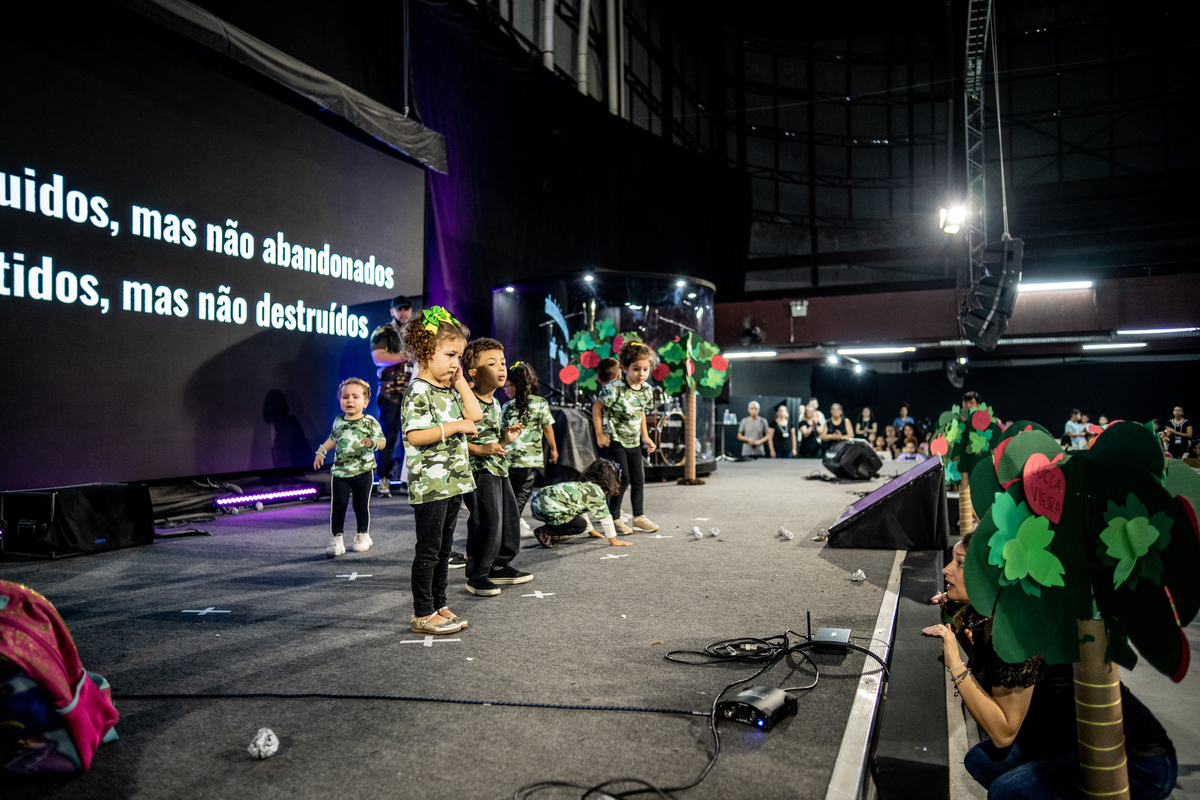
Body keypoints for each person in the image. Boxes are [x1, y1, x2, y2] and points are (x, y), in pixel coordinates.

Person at [924, 534, 1177, 800]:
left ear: (990, 575)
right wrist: (955, 628)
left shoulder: (1020, 629)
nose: (946, 569)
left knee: (1006, 792)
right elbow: (995, 670)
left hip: (1139, 763)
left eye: (960, 563)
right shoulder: (999, 612)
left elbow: (1003, 733)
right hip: (1072, 744)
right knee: (981, 761)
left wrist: (955, 664)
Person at [400, 306, 482, 635]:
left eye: (458, 357)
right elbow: (415, 436)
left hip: (453, 482)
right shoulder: (418, 390)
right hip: (431, 485)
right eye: (450, 355)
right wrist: (455, 426)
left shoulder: (447, 387)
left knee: (445, 550)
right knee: (429, 550)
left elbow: (475, 414)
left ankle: (439, 603)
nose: (455, 363)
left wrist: (460, 382)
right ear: (425, 352)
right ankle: (423, 613)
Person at [461, 338, 532, 598]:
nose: (501, 368)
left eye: (502, 362)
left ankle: (499, 565)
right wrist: (480, 450)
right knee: (486, 520)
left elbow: (491, 440)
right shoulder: (466, 401)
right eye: (492, 364)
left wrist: (504, 440)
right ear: (473, 373)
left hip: (497, 467)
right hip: (477, 470)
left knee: (508, 518)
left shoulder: (495, 403)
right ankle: (477, 573)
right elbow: (456, 440)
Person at [313, 378, 386, 557]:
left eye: (355, 397)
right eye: (345, 397)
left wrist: (373, 443)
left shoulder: (369, 422)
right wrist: (321, 451)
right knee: (338, 506)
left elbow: (382, 441)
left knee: (361, 505)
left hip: (363, 472)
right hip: (340, 473)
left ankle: (363, 535)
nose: (350, 400)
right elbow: (333, 439)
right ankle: (337, 538)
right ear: (340, 400)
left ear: (365, 402)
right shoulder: (338, 421)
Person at [596, 340, 659, 532]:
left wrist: (645, 437)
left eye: (645, 369)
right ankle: (614, 518)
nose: (641, 374)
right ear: (624, 368)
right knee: (622, 480)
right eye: (636, 369)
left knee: (639, 480)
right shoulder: (614, 387)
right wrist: (600, 434)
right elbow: (597, 408)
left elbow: (640, 413)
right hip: (616, 440)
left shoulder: (646, 390)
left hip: (633, 442)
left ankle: (638, 516)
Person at [502, 362, 558, 536]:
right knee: (522, 494)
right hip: (529, 458)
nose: (505, 390)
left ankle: (510, 523)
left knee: (511, 494)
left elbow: (501, 432)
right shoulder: (540, 403)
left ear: (515, 385)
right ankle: (512, 526)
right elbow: (547, 427)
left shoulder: (507, 406)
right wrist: (554, 449)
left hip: (509, 458)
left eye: (506, 386)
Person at [529, 459, 631, 549]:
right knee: (580, 525)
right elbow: (606, 518)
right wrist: (613, 540)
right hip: (547, 507)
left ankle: (553, 531)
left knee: (574, 517)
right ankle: (546, 532)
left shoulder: (584, 486)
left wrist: (591, 531)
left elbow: (580, 510)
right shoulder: (596, 493)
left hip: (537, 503)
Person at [369, 295, 414, 497]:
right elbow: (378, 357)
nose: (403, 312)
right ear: (392, 311)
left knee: (412, 437)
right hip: (391, 393)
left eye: (406, 309)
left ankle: (408, 479)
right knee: (388, 437)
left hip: (413, 394)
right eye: (399, 309)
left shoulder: (415, 332)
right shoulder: (383, 331)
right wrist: (404, 356)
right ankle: (384, 479)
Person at [591, 357, 622, 459]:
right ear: (619, 376)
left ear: (598, 378)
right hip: (615, 440)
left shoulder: (601, 396)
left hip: (604, 441)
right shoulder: (615, 396)